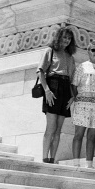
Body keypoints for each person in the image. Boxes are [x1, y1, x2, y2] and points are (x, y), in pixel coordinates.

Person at [38, 26, 77, 163]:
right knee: (51, 126)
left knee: (59, 128)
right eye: (64, 37)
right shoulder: (50, 51)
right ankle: (44, 157)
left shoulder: (70, 57)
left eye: (69, 38)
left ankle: (52, 158)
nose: (66, 40)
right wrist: (47, 90)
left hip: (66, 90)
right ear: (59, 37)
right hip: (53, 86)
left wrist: (73, 96)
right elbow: (40, 72)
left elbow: (72, 79)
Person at [71, 39, 95, 168]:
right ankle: (76, 163)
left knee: (92, 135)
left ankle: (89, 164)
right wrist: (76, 99)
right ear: (88, 51)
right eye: (93, 50)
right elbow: (74, 85)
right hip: (82, 104)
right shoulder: (82, 66)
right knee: (79, 133)